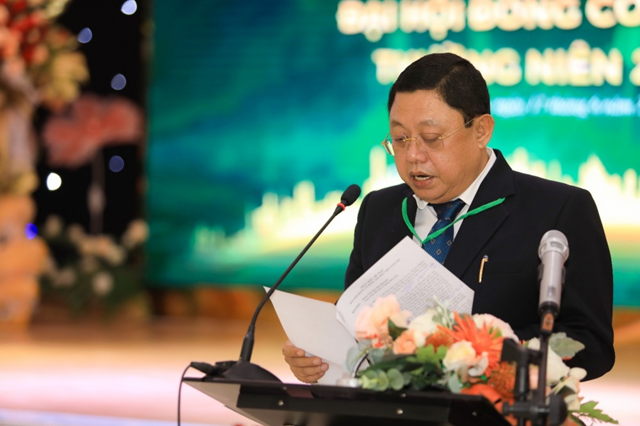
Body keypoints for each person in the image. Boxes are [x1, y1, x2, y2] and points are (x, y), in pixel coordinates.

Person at [283, 52, 615, 384]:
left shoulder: (557, 210)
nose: (413, 155)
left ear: (481, 130)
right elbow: (353, 323)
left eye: (431, 138)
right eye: (400, 139)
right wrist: (318, 354)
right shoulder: (378, 210)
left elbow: (591, 343)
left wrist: (479, 354)